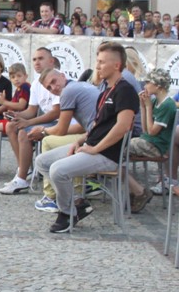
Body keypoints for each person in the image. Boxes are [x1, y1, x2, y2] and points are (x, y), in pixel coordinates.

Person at [36, 42, 138, 233]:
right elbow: (97, 125)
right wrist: (79, 141)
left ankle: (67, 213)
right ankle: (76, 204)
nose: (97, 66)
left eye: (102, 62)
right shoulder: (106, 89)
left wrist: (94, 148)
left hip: (108, 154)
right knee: (42, 161)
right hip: (92, 146)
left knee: (58, 170)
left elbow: (122, 127)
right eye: (97, 61)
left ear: (116, 65)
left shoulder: (125, 90)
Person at [30, 69, 101, 213]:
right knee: (61, 141)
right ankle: (75, 192)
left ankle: (52, 196)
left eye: (54, 81)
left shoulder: (68, 92)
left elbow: (61, 130)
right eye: (49, 88)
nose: (53, 88)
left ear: (63, 76)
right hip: (98, 135)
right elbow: (81, 126)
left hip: (97, 140)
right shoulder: (81, 86)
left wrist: (43, 131)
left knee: (47, 142)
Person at [0, 47, 60, 194]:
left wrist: (29, 122)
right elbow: (31, 111)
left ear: (51, 61)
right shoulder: (36, 84)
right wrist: (17, 115)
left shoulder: (58, 79)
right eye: (34, 59)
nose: (36, 62)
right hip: (49, 120)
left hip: (62, 122)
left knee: (23, 132)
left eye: (41, 59)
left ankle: (22, 178)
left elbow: (56, 113)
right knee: (11, 125)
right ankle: (23, 168)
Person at [128, 68, 176, 213]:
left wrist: (148, 107)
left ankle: (138, 192)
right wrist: (143, 106)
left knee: (117, 150)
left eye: (148, 82)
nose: (145, 85)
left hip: (156, 146)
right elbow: (145, 130)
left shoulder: (167, 105)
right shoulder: (154, 101)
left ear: (158, 86)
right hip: (147, 142)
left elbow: (152, 132)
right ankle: (133, 190)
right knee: (118, 151)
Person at [0, 62, 31, 133]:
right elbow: (8, 105)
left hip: (21, 120)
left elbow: (21, 106)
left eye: (19, 76)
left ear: (26, 76)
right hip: (12, 118)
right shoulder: (18, 89)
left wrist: (4, 101)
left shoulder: (25, 86)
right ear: (10, 79)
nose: (16, 79)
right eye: (13, 77)